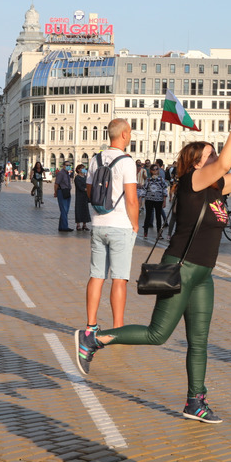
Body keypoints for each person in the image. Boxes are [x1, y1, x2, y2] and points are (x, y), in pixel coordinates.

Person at [74, 103, 231, 424]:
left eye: (215, 156)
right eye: (210, 156)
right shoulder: (192, 184)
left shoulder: (217, 187)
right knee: (158, 334)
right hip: (182, 268)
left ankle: (195, 402)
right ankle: (95, 339)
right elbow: (228, 161)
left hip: (203, 275)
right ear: (197, 164)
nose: (217, 161)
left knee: (199, 343)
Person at [83, 120, 139, 330]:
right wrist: (135, 225)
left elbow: (89, 192)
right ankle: (117, 328)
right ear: (124, 135)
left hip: (98, 223)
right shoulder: (126, 161)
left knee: (96, 276)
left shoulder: (96, 159)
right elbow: (132, 199)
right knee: (119, 278)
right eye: (130, 133)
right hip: (120, 225)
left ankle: (91, 325)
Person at [143, 163, 168, 238]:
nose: (155, 171)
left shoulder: (161, 179)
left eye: (157, 169)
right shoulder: (148, 180)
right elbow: (145, 189)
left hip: (158, 200)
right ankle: (145, 232)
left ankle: (159, 233)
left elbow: (164, 190)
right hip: (149, 199)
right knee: (148, 216)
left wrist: (164, 201)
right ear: (151, 171)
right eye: (153, 169)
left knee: (158, 216)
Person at [54, 163, 73, 231]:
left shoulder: (67, 173)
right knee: (64, 209)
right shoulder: (61, 173)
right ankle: (64, 227)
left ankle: (61, 226)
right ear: (63, 166)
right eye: (67, 165)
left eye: (69, 165)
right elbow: (56, 183)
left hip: (67, 191)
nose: (69, 166)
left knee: (65, 210)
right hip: (62, 191)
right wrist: (55, 192)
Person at [74, 164, 91, 232]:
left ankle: (84, 224)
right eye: (82, 168)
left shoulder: (85, 177)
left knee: (85, 209)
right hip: (79, 196)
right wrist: (85, 189)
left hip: (85, 196)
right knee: (78, 209)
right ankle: (78, 224)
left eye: (84, 168)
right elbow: (79, 186)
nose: (84, 170)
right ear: (78, 170)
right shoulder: (77, 178)